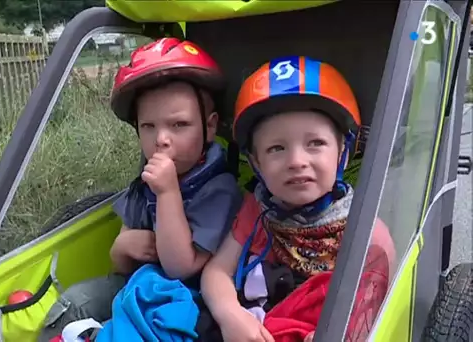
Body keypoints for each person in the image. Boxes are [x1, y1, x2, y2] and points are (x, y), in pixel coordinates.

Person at [38, 37, 243, 341]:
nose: (161, 139)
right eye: (148, 126)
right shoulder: (144, 184)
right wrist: (121, 247)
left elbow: (181, 268)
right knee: (75, 303)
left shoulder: (219, 190)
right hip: (139, 288)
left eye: (178, 125)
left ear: (210, 126)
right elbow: (122, 265)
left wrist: (168, 193)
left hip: (192, 303)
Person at [199, 56, 396, 342]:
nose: (296, 161)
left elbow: (380, 297)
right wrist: (230, 313)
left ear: (343, 152)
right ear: (255, 162)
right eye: (276, 148)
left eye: (315, 143)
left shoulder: (361, 226)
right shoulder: (259, 211)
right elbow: (216, 272)